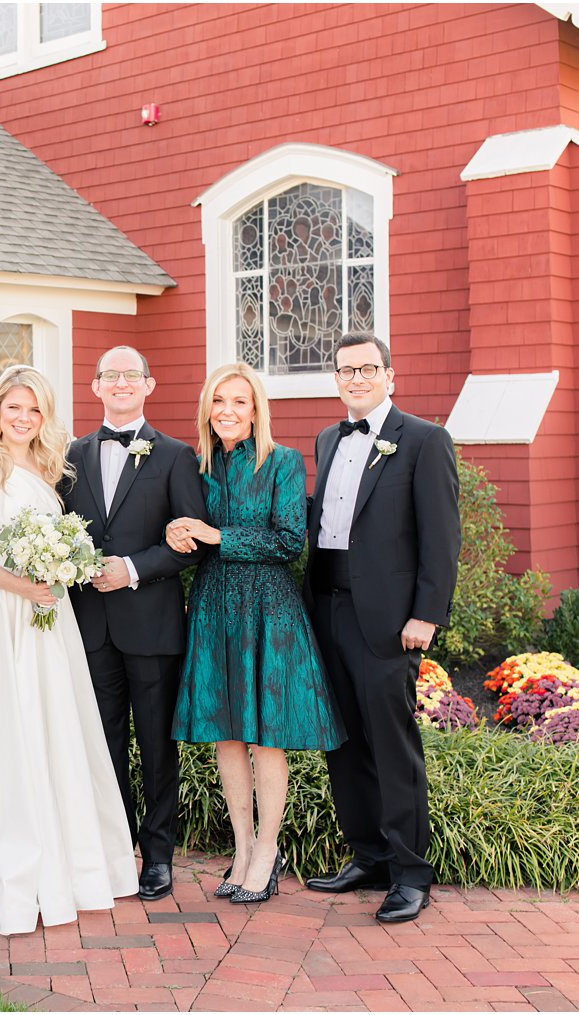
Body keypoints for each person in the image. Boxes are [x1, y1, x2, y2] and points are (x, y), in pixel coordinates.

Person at [0, 366, 139, 936]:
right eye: (13, 406)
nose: (22, 417)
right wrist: (24, 586)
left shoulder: (48, 469)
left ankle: (65, 861)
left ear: (44, 418)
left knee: (52, 728)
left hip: (46, 621)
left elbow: (63, 542)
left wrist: (65, 566)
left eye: (33, 410)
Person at [165, 363, 345, 906]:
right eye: (218, 401)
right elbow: (184, 529)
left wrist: (218, 534)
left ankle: (268, 848)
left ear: (256, 409)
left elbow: (290, 540)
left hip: (267, 607)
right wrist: (177, 531)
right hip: (213, 605)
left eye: (239, 401)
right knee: (226, 732)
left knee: (265, 733)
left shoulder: (284, 462)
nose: (227, 411)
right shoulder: (194, 466)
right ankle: (241, 848)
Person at [303, 334, 460, 924]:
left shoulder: (423, 440)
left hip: (390, 621)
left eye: (369, 368)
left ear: (390, 375)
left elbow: (441, 538)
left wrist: (426, 614)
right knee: (343, 744)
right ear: (337, 378)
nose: (357, 378)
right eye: (347, 370)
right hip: (328, 608)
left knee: (393, 746)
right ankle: (367, 856)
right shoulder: (326, 438)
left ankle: (410, 873)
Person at [59, 346, 207, 901]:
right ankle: (115, 848)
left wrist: (132, 569)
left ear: (149, 384)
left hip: (152, 625)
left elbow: (192, 543)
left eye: (131, 375)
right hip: (90, 625)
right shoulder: (69, 456)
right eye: (110, 376)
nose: (121, 383)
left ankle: (159, 855)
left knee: (155, 743)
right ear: (95, 386)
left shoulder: (175, 456)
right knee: (103, 742)